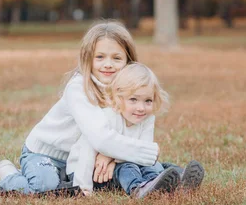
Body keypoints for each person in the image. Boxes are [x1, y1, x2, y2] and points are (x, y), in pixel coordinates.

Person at [0, 20, 159, 194]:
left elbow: (120, 134)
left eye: (116, 58)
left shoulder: (127, 92)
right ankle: (9, 174)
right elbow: (101, 138)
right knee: (44, 187)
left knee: (133, 171)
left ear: (128, 61)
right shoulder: (79, 88)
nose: (108, 64)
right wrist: (149, 152)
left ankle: (170, 178)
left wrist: (112, 158)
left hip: (83, 159)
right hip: (46, 154)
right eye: (100, 57)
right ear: (88, 59)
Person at [67, 62, 184, 198]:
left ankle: (171, 180)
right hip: (90, 171)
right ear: (118, 98)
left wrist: (111, 158)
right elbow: (86, 154)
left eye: (148, 101)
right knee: (129, 166)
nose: (141, 108)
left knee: (155, 165)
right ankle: (139, 189)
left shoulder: (147, 118)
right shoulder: (108, 117)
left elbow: (142, 152)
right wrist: (82, 187)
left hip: (115, 165)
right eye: (133, 99)